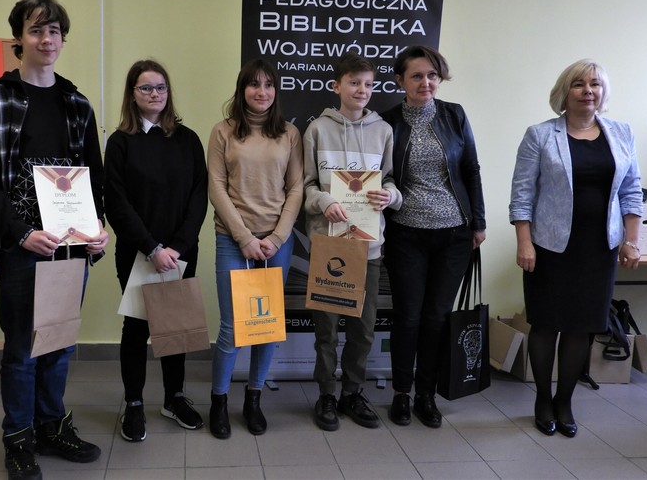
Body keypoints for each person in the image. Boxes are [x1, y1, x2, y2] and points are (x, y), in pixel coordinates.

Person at [0, 0, 108, 480]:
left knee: (60, 344)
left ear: (62, 40)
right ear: (18, 39)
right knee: (22, 351)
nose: (46, 39)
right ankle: (18, 439)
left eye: (54, 31)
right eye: (36, 30)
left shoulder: (77, 104)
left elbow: (94, 177)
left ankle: (52, 427)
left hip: (70, 248)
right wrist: (23, 232)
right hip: (22, 248)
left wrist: (97, 228)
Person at [509, 59, 642, 438]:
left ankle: (564, 401)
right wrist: (524, 242)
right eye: (578, 84)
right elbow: (522, 195)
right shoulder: (540, 135)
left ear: (603, 91)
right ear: (564, 92)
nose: (588, 90)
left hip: (599, 248)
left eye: (595, 84)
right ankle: (542, 399)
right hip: (548, 247)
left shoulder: (622, 133)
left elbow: (632, 190)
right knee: (546, 323)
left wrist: (631, 241)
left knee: (582, 327)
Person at [380, 45, 486, 429]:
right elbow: (380, 175)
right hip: (406, 234)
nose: (425, 83)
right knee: (407, 316)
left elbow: (471, 168)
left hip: (454, 234)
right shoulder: (387, 122)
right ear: (400, 81)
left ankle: (426, 395)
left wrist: (478, 223)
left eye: (432, 75)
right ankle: (401, 393)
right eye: (416, 76)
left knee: (437, 317)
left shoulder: (454, 115)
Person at [104, 59, 208, 443]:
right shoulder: (120, 143)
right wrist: (152, 248)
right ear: (132, 94)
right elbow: (116, 202)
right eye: (145, 88)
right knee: (137, 328)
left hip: (181, 252)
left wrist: (176, 247)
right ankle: (133, 403)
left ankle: (173, 398)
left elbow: (199, 197)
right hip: (138, 252)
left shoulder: (188, 140)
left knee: (175, 328)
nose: (154, 94)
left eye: (160, 87)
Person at [303, 52, 399, 431]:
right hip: (329, 245)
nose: (362, 90)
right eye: (354, 82)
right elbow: (306, 185)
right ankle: (327, 394)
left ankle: (352, 393)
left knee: (363, 328)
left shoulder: (383, 131)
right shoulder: (316, 130)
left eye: (369, 84)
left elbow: (390, 180)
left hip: (368, 246)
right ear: (337, 86)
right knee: (326, 330)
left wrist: (391, 196)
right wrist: (324, 201)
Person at [207, 59, 302, 439]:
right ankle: (218, 401)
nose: (261, 92)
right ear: (242, 89)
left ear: (276, 90)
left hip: (277, 242)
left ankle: (253, 398)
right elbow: (216, 187)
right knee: (232, 328)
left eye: (268, 85)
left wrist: (276, 238)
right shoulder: (223, 131)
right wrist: (245, 238)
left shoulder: (289, 133)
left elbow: (296, 188)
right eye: (253, 84)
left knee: (267, 326)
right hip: (233, 240)